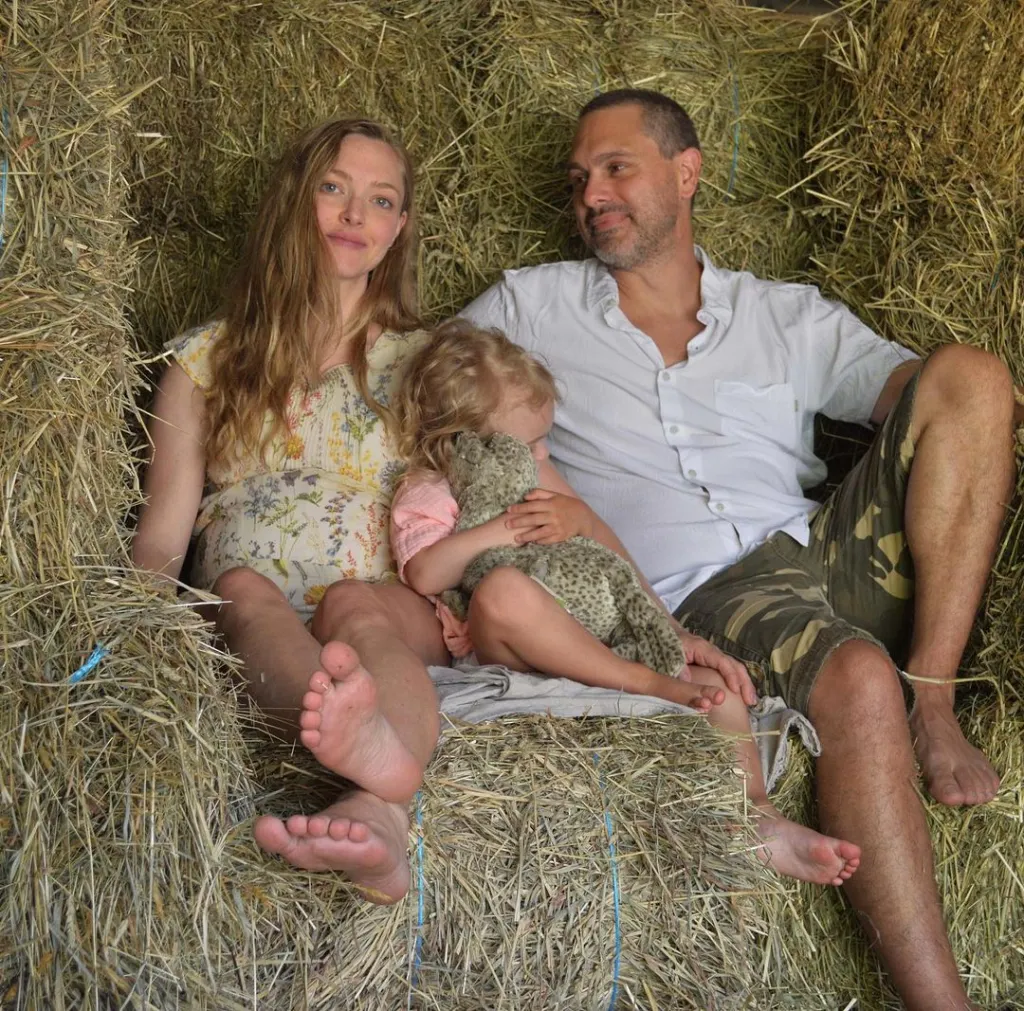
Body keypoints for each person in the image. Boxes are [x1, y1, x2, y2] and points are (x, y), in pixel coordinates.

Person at [461, 89, 1020, 1010]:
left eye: (616, 168)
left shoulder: (783, 315)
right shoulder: (529, 305)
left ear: (688, 173)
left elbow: (936, 401)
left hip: (823, 554)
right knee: (851, 679)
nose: (591, 193)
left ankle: (935, 691)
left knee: (975, 373)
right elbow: (405, 386)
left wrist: (977, 413)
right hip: (703, 590)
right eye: (578, 179)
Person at [390, 320, 861, 886]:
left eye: (546, 441)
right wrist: (504, 530)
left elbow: (604, 548)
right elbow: (422, 573)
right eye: (530, 445)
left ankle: (758, 815)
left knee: (717, 693)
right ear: (462, 442)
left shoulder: (537, 473)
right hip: (509, 645)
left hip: (590, 635)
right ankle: (641, 684)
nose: (543, 456)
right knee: (502, 592)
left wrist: (668, 627)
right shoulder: (428, 490)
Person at [132, 118, 451, 905]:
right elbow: (165, 530)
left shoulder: (427, 361)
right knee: (239, 588)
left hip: (382, 602)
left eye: (380, 201)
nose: (354, 215)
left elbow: (509, 477)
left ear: (399, 229)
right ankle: (377, 804)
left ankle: (376, 748)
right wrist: (123, 638)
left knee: (355, 605)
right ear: (293, 200)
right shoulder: (207, 357)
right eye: (333, 189)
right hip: (251, 608)